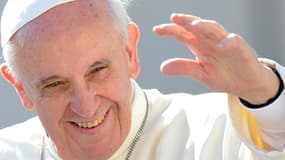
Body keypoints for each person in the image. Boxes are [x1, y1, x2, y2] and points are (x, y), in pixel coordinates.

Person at [0, 0, 284, 159]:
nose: (85, 107)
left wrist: (263, 93)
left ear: (130, 52)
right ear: (20, 86)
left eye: (97, 70)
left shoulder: (214, 129)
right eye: (55, 85)